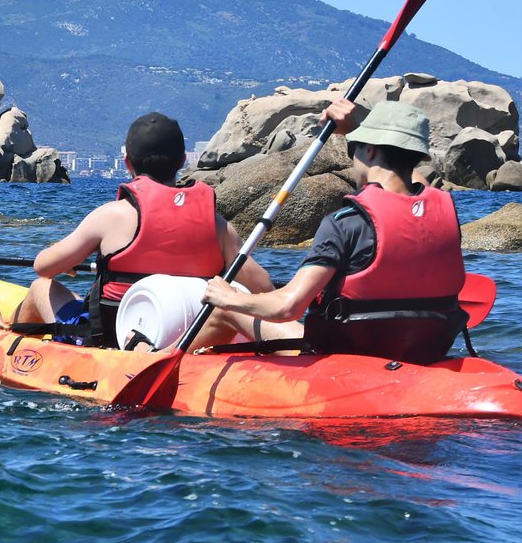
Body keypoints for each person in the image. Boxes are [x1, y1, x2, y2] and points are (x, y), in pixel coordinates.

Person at [200, 99, 467, 363]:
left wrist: (230, 297)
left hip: (347, 357)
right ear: (416, 157)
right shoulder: (446, 212)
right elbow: (410, 184)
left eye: (356, 150)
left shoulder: (345, 221)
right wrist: (356, 132)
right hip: (420, 351)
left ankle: (162, 359)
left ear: (371, 151)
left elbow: (287, 307)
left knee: (224, 311)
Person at [0, 111, 272, 348]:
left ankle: (5, 335)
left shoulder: (111, 217)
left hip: (114, 338)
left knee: (41, 287)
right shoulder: (216, 224)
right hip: (192, 333)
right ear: (183, 162)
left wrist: (68, 263)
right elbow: (264, 288)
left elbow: (43, 266)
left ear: (127, 163)